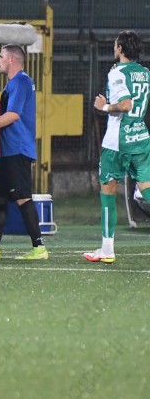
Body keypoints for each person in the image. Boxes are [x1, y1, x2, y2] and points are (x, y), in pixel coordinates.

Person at [0, 45, 48, 260]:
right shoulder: (13, 83)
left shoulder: (21, 82)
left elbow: (13, 115)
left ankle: (39, 248)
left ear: (11, 59)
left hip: (17, 149)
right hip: (7, 151)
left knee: (23, 198)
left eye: (1, 57)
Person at [83, 31, 150, 264]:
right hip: (140, 137)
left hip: (118, 142)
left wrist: (103, 106)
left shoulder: (117, 73)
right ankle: (106, 249)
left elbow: (125, 104)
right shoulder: (145, 73)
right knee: (146, 189)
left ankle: (107, 249)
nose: (114, 48)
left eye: (115, 45)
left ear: (120, 48)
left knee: (108, 193)